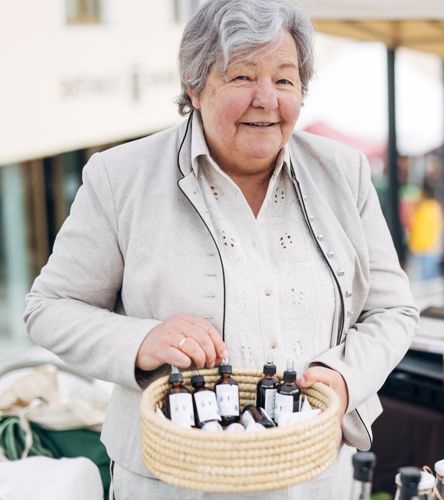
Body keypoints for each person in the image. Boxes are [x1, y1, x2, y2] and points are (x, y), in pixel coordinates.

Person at [23, 0, 418, 498]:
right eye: (241, 77)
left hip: (314, 480)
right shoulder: (120, 177)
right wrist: (140, 342)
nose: (266, 100)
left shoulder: (345, 172)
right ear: (194, 86)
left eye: (284, 79)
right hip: (171, 484)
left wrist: (343, 378)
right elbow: (48, 308)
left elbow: (393, 310)